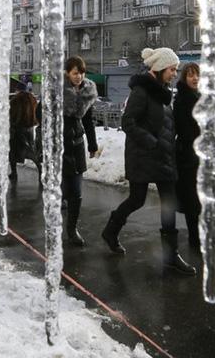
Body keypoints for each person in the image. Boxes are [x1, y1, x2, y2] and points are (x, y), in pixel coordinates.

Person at [102, 47, 196, 275]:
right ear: (160, 68)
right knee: (137, 199)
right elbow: (128, 122)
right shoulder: (141, 91)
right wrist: (152, 142)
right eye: (172, 69)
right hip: (143, 156)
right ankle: (111, 230)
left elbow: (165, 124)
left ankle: (170, 257)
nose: (175, 73)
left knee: (168, 203)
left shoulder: (163, 92)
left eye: (175, 69)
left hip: (163, 156)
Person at [56, 56, 98, 246]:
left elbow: (88, 120)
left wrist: (92, 144)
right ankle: (53, 224)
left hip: (77, 145)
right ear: (67, 73)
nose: (79, 76)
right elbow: (42, 117)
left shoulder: (87, 92)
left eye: (81, 73)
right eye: (75, 73)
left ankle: (72, 230)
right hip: (60, 146)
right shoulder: (56, 91)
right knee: (62, 191)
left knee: (77, 193)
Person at [173, 62, 202, 250]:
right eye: (191, 75)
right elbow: (184, 129)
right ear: (184, 77)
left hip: (200, 153)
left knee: (200, 197)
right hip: (189, 155)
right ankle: (194, 238)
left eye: (197, 74)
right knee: (192, 198)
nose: (195, 78)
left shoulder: (198, 97)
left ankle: (200, 234)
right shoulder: (183, 99)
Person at [9, 86, 41, 182]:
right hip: (29, 128)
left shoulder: (16, 100)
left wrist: (12, 124)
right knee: (30, 151)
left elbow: (13, 114)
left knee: (13, 152)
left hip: (17, 129)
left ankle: (14, 173)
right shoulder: (32, 99)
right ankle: (40, 170)